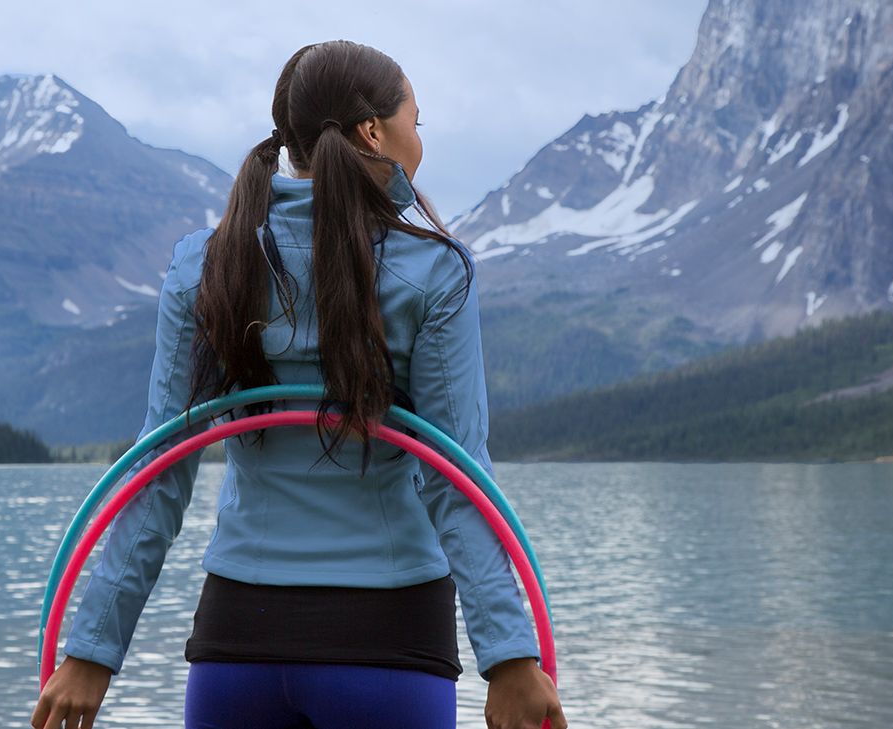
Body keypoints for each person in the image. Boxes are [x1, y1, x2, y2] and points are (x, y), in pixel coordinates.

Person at [31, 39, 567, 729]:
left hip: (237, 648)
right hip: (389, 646)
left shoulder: (206, 261)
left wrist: (92, 652)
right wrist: (510, 658)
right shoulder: (433, 271)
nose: (418, 140)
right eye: (417, 122)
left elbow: (158, 468)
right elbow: (457, 477)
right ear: (375, 132)